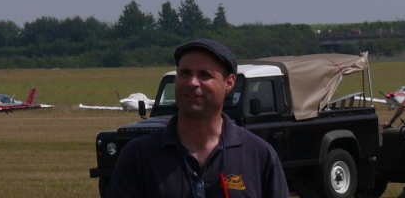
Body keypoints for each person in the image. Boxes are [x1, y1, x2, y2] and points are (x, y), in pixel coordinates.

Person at [108, 38, 290, 198]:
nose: (192, 83)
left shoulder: (259, 156)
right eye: (185, 73)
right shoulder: (139, 156)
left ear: (229, 83)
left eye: (205, 75)